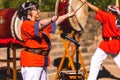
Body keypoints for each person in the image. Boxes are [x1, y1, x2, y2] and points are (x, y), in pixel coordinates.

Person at [17, 1, 75, 80]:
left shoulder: (37, 23)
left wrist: (68, 15)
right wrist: (51, 19)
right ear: (29, 11)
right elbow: (41, 25)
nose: (39, 11)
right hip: (32, 63)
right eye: (36, 9)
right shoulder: (26, 24)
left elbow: (56, 22)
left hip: (41, 61)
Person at [81, 0, 120, 80]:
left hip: (107, 44)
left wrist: (86, 3)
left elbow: (96, 9)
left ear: (110, 11)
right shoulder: (117, 17)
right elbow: (117, 9)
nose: (107, 10)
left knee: (95, 60)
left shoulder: (108, 16)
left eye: (108, 9)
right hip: (116, 43)